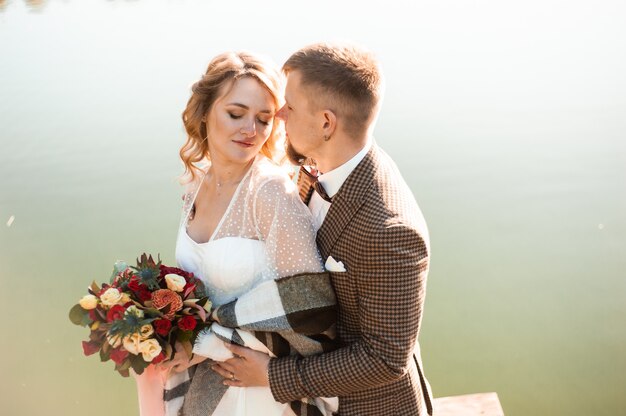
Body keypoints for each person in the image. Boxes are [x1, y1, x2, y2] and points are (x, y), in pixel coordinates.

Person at [212, 43, 434, 415]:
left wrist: (273, 374)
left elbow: (385, 359)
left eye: (291, 106)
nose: (279, 114)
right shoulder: (323, 166)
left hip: (364, 407)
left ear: (326, 123)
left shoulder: (390, 230)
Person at [132, 51, 338, 416]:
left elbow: (310, 302)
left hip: (255, 391)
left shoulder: (270, 193)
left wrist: (207, 341)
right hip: (206, 376)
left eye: (263, 119)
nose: (251, 130)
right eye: (235, 113)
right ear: (205, 111)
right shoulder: (195, 185)